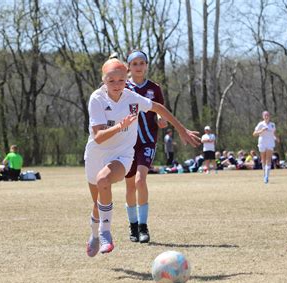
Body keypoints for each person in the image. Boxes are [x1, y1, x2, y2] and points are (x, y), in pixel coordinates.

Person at [84, 58, 200, 257]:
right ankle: (94, 234)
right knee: (97, 202)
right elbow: (99, 137)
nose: (117, 85)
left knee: (104, 180)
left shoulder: (132, 97)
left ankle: (105, 233)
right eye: (111, 81)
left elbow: (158, 108)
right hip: (96, 153)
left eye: (121, 80)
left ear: (126, 78)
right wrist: (120, 126)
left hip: (122, 155)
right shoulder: (97, 99)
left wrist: (181, 130)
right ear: (104, 80)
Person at [124, 50, 168, 244]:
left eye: (142, 63)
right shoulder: (122, 87)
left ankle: (143, 227)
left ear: (147, 65)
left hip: (147, 140)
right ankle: (132, 226)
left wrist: (160, 118)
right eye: (135, 64)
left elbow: (160, 110)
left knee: (140, 181)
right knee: (129, 184)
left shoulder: (154, 88)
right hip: (126, 143)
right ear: (128, 67)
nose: (139, 67)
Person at [253, 111, 277, 183]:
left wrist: (276, 138)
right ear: (263, 116)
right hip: (262, 142)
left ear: (269, 116)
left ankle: (267, 176)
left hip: (270, 143)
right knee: (263, 160)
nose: (266, 117)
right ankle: (264, 174)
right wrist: (261, 130)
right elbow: (254, 134)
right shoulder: (260, 124)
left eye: (268, 115)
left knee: (268, 159)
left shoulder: (272, 125)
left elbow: (273, 134)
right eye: (265, 115)